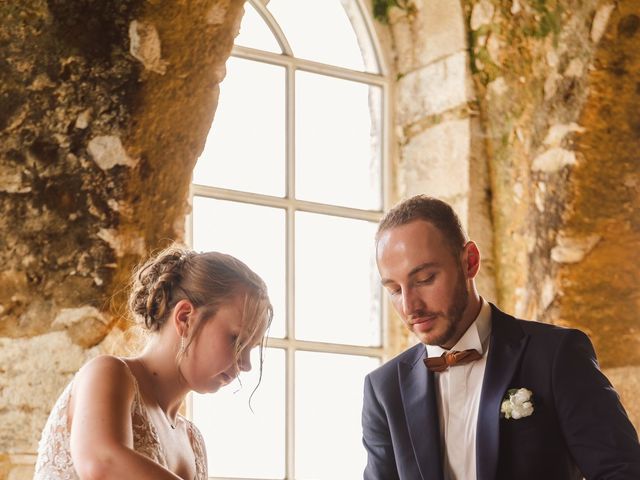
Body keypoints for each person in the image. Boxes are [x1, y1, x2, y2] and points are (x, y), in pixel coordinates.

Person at [362, 195, 640, 480]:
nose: (410, 307)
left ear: (470, 262)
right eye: (395, 290)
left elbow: (622, 472)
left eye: (424, 279)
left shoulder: (556, 355)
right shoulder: (384, 390)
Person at [35, 245, 273, 480]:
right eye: (236, 340)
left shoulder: (193, 442)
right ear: (185, 317)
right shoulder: (109, 373)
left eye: (250, 348)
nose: (246, 364)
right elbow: (102, 463)